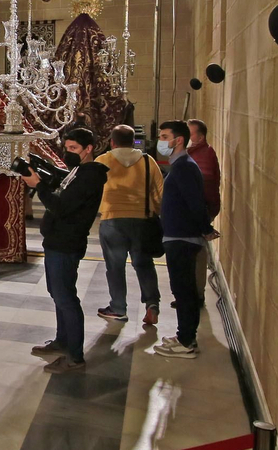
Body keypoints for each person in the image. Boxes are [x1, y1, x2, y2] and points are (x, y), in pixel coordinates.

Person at [19, 127, 108, 373]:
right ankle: (62, 341)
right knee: (57, 293)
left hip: (67, 243)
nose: (68, 153)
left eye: (73, 149)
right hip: (57, 241)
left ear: (88, 149)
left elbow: (61, 206)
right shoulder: (78, 172)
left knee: (66, 298)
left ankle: (75, 356)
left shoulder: (90, 176)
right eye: (66, 148)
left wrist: (39, 186)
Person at [93, 125, 163, 326]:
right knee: (144, 264)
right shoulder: (148, 162)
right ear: (133, 141)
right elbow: (159, 193)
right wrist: (153, 212)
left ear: (112, 142)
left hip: (112, 219)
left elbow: (93, 190)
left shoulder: (103, 161)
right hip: (141, 220)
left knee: (114, 267)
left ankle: (118, 308)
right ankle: (152, 304)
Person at [152, 121, 210, 359]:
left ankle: (186, 341)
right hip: (177, 235)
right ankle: (183, 334)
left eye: (165, 136)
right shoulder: (179, 165)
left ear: (178, 140)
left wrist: (205, 227)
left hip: (183, 237)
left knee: (184, 292)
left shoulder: (184, 167)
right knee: (181, 290)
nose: (161, 140)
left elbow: (195, 201)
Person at [187, 119, 222, 304]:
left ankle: (197, 294)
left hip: (200, 210)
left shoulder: (204, 154)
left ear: (199, 136)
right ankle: (190, 292)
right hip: (194, 210)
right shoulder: (194, 153)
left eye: (190, 133)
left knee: (197, 253)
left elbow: (204, 185)